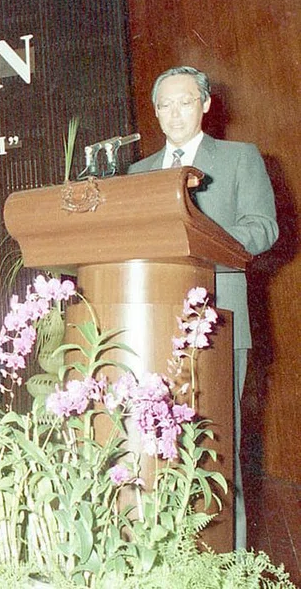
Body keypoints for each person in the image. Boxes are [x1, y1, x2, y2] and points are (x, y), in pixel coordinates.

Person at [128, 65, 278, 550]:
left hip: (218, 321)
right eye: (165, 105)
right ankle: (162, 554)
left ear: (206, 104)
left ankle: (224, 563)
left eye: (185, 101)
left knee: (214, 448)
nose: (174, 113)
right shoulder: (137, 172)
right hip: (151, 322)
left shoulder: (239, 159)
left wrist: (204, 240)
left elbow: (262, 228)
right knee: (153, 447)